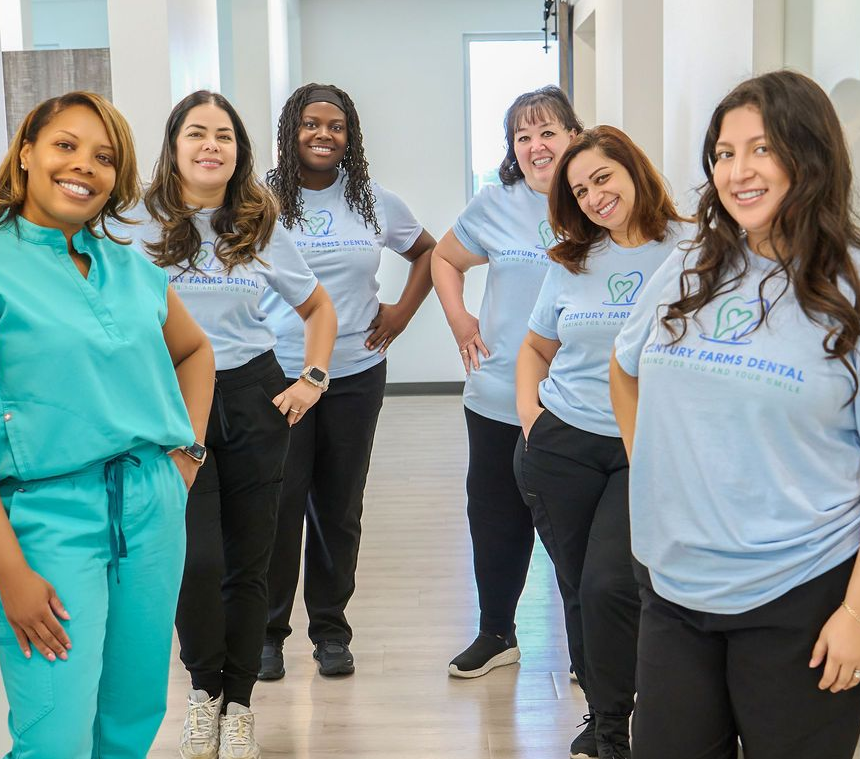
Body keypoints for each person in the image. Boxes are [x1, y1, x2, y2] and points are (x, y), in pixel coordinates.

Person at [610, 70, 860, 759]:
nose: (738, 171)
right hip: (674, 585)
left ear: (808, 158)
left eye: (761, 149)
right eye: (723, 153)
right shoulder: (690, 264)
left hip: (801, 592)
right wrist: (655, 471)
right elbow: (624, 368)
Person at [0, 92, 215, 759]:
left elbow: (195, 353)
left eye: (105, 157)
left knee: (133, 714)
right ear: (26, 155)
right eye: (66, 145)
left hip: (152, 503)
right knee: (54, 734)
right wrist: (10, 571)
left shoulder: (130, 266)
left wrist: (186, 455)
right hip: (48, 517)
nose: (85, 166)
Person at [130, 91, 337, 759]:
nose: (210, 144)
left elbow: (318, 307)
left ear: (239, 150)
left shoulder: (257, 222)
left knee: (250, 560)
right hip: (170, 402)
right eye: (197, 133)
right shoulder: (136, 221)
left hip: (252, 396)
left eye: (223, 134)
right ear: (175, 145)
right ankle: (203, 692)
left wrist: (312, 378)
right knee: (196, 557)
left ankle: (240, 703)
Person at [515, 125, 690, 759]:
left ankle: (630, 709)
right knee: (576, 588)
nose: (593, 197)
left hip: (643, 447)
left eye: (602, 179)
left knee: (611, 585)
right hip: (563, 442)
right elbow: (535, 347)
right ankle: (607, 722)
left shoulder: (694, 246)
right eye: (580, 190)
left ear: (635, 170)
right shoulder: (571, 260)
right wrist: (530, 419)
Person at [259, 83, 436, 678]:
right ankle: (267, 634)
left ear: (350, 136)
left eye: (335, 125)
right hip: (279, 372)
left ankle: (331, 630)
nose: (324, 134)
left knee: (338, 505)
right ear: (292, 131)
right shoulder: (260, 200)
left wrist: (400, 314)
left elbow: (429, 254)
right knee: (279, 505)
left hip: (355, 374)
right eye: (311, 123)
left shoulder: (373, 202)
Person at [431, 86, 581, 678]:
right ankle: (497, 634)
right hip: (496, 395)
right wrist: (461, 320)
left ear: (573, 134)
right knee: (495, 519)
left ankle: (587, 651)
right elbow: (444, 259)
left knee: (573, 529)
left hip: (576, 403)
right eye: (523, 137)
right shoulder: (496, 203)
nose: (536, 146)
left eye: (547, 132)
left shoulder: (596, 196)